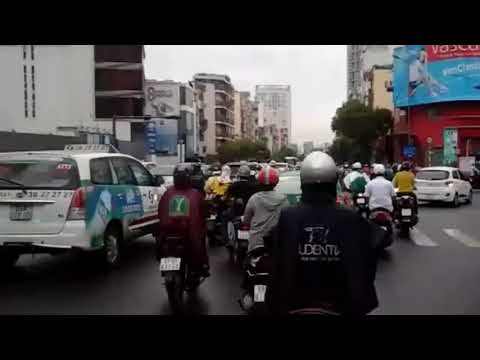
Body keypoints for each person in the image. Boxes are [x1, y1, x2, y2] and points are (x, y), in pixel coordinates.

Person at [267, 151, 379, 315]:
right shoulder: (349, 217)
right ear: (333, 182)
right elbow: (376, 241)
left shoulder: (288, 216)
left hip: (295, 301)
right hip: (340, 302)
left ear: (303, 183)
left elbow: (271, 244)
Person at [156, 163, 209, 277]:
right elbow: (204, 211)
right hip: (189, 232)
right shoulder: (196, 193)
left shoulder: (168, 193)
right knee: (200, 241)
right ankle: (201, 267)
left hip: (168, 230)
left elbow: (160, 211)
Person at [243, 166, 289, 253]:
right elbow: (287, 220)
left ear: (259, 182)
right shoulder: (283, 199)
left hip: (256, 243)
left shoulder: (254, 198)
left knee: (248, 264)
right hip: (277, 243)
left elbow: (246, 221)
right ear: (276, 183)